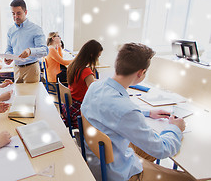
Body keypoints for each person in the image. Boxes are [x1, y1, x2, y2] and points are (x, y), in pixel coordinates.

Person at [80, 43, 194, 181]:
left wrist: (147, 113)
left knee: (146, 150)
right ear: (141, 73)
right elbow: (162, 150)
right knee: (189, 178)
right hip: (119, 173)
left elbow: (112, 109)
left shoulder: (95, 86)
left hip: (97, 164)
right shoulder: (127, 110)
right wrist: (175, 128)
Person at [5, 0, 48, 83]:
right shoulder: (10, 30)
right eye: (13, 14)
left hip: (31, 69)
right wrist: (8, 56)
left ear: (26, 12)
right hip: (16, 69)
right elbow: (9, 49)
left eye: (18, 13)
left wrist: (30, 51)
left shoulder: (35, 29)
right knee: (18, 95)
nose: (15, 17)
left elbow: (45, 50)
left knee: (31, 95)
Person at [63, 40, 103, 128]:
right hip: (78, 110)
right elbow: (94, 92)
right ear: (92, 55)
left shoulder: (73, 65)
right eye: (98, 56)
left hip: (68, 107)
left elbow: (83, 82)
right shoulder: (86, 71)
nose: (97, 59)